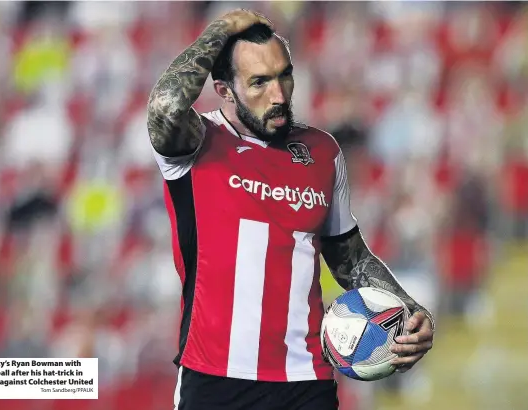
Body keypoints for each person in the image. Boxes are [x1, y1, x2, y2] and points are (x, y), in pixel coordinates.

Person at [146, 9, 435, 410]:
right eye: (259, 82)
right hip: (214, 378)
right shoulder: (196, 142)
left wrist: (411, 311)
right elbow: (164, 107)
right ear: (225, 90)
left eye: (285, 75)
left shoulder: (322, 151)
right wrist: (224, 29)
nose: (279, 95)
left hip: (305, 381)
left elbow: (349, 257)